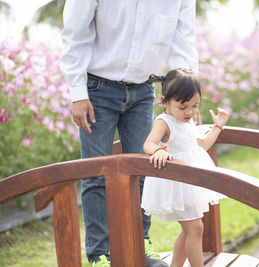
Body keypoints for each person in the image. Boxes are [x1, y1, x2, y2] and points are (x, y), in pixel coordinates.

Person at [59, 1, 199, 266]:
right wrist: (78, 94)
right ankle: (99, 254)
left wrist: (187, 98)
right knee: (96, 174)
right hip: (97, 88)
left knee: (145, 170)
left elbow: (183, 40)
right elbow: (76, 33)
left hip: (144, 90)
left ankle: (140, 245)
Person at [141, 69, 230, 267]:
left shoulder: (187, 121)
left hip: (190, 181)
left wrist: (218, 127)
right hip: (176, 182)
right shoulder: (164, 122)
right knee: (195, 228)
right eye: (183, 107)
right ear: (165, 101)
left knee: (191, 229)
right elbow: (148, 144)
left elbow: (202, 145)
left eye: (195, 106)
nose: (189, 112)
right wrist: (159, 151)